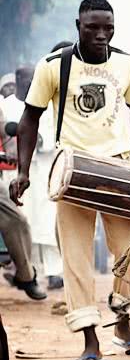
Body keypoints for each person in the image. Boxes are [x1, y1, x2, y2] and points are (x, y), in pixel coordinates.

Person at [13, 0, 130, 360]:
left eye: (107, 27)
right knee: (76, 259)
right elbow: (29, 119)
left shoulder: (127, 64)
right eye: (92, 27)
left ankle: (124, 325)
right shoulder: (53, 67)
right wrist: (24, 171)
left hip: (119, 170)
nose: (101, 34)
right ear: (77, 24)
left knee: (128, 252)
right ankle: (90, 341)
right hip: (72, 171)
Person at [5, 63, 64, 293]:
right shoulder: (6, 104)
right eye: (26, 80)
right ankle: (29, 272)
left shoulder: (45, 105)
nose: (30, 84)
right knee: (23, 222)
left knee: (47, 223)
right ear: (17, 80)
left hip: (41, 173)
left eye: (33, 80)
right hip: (11, 173)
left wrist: (36, 139)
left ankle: (54, 272)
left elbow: (49, 135)